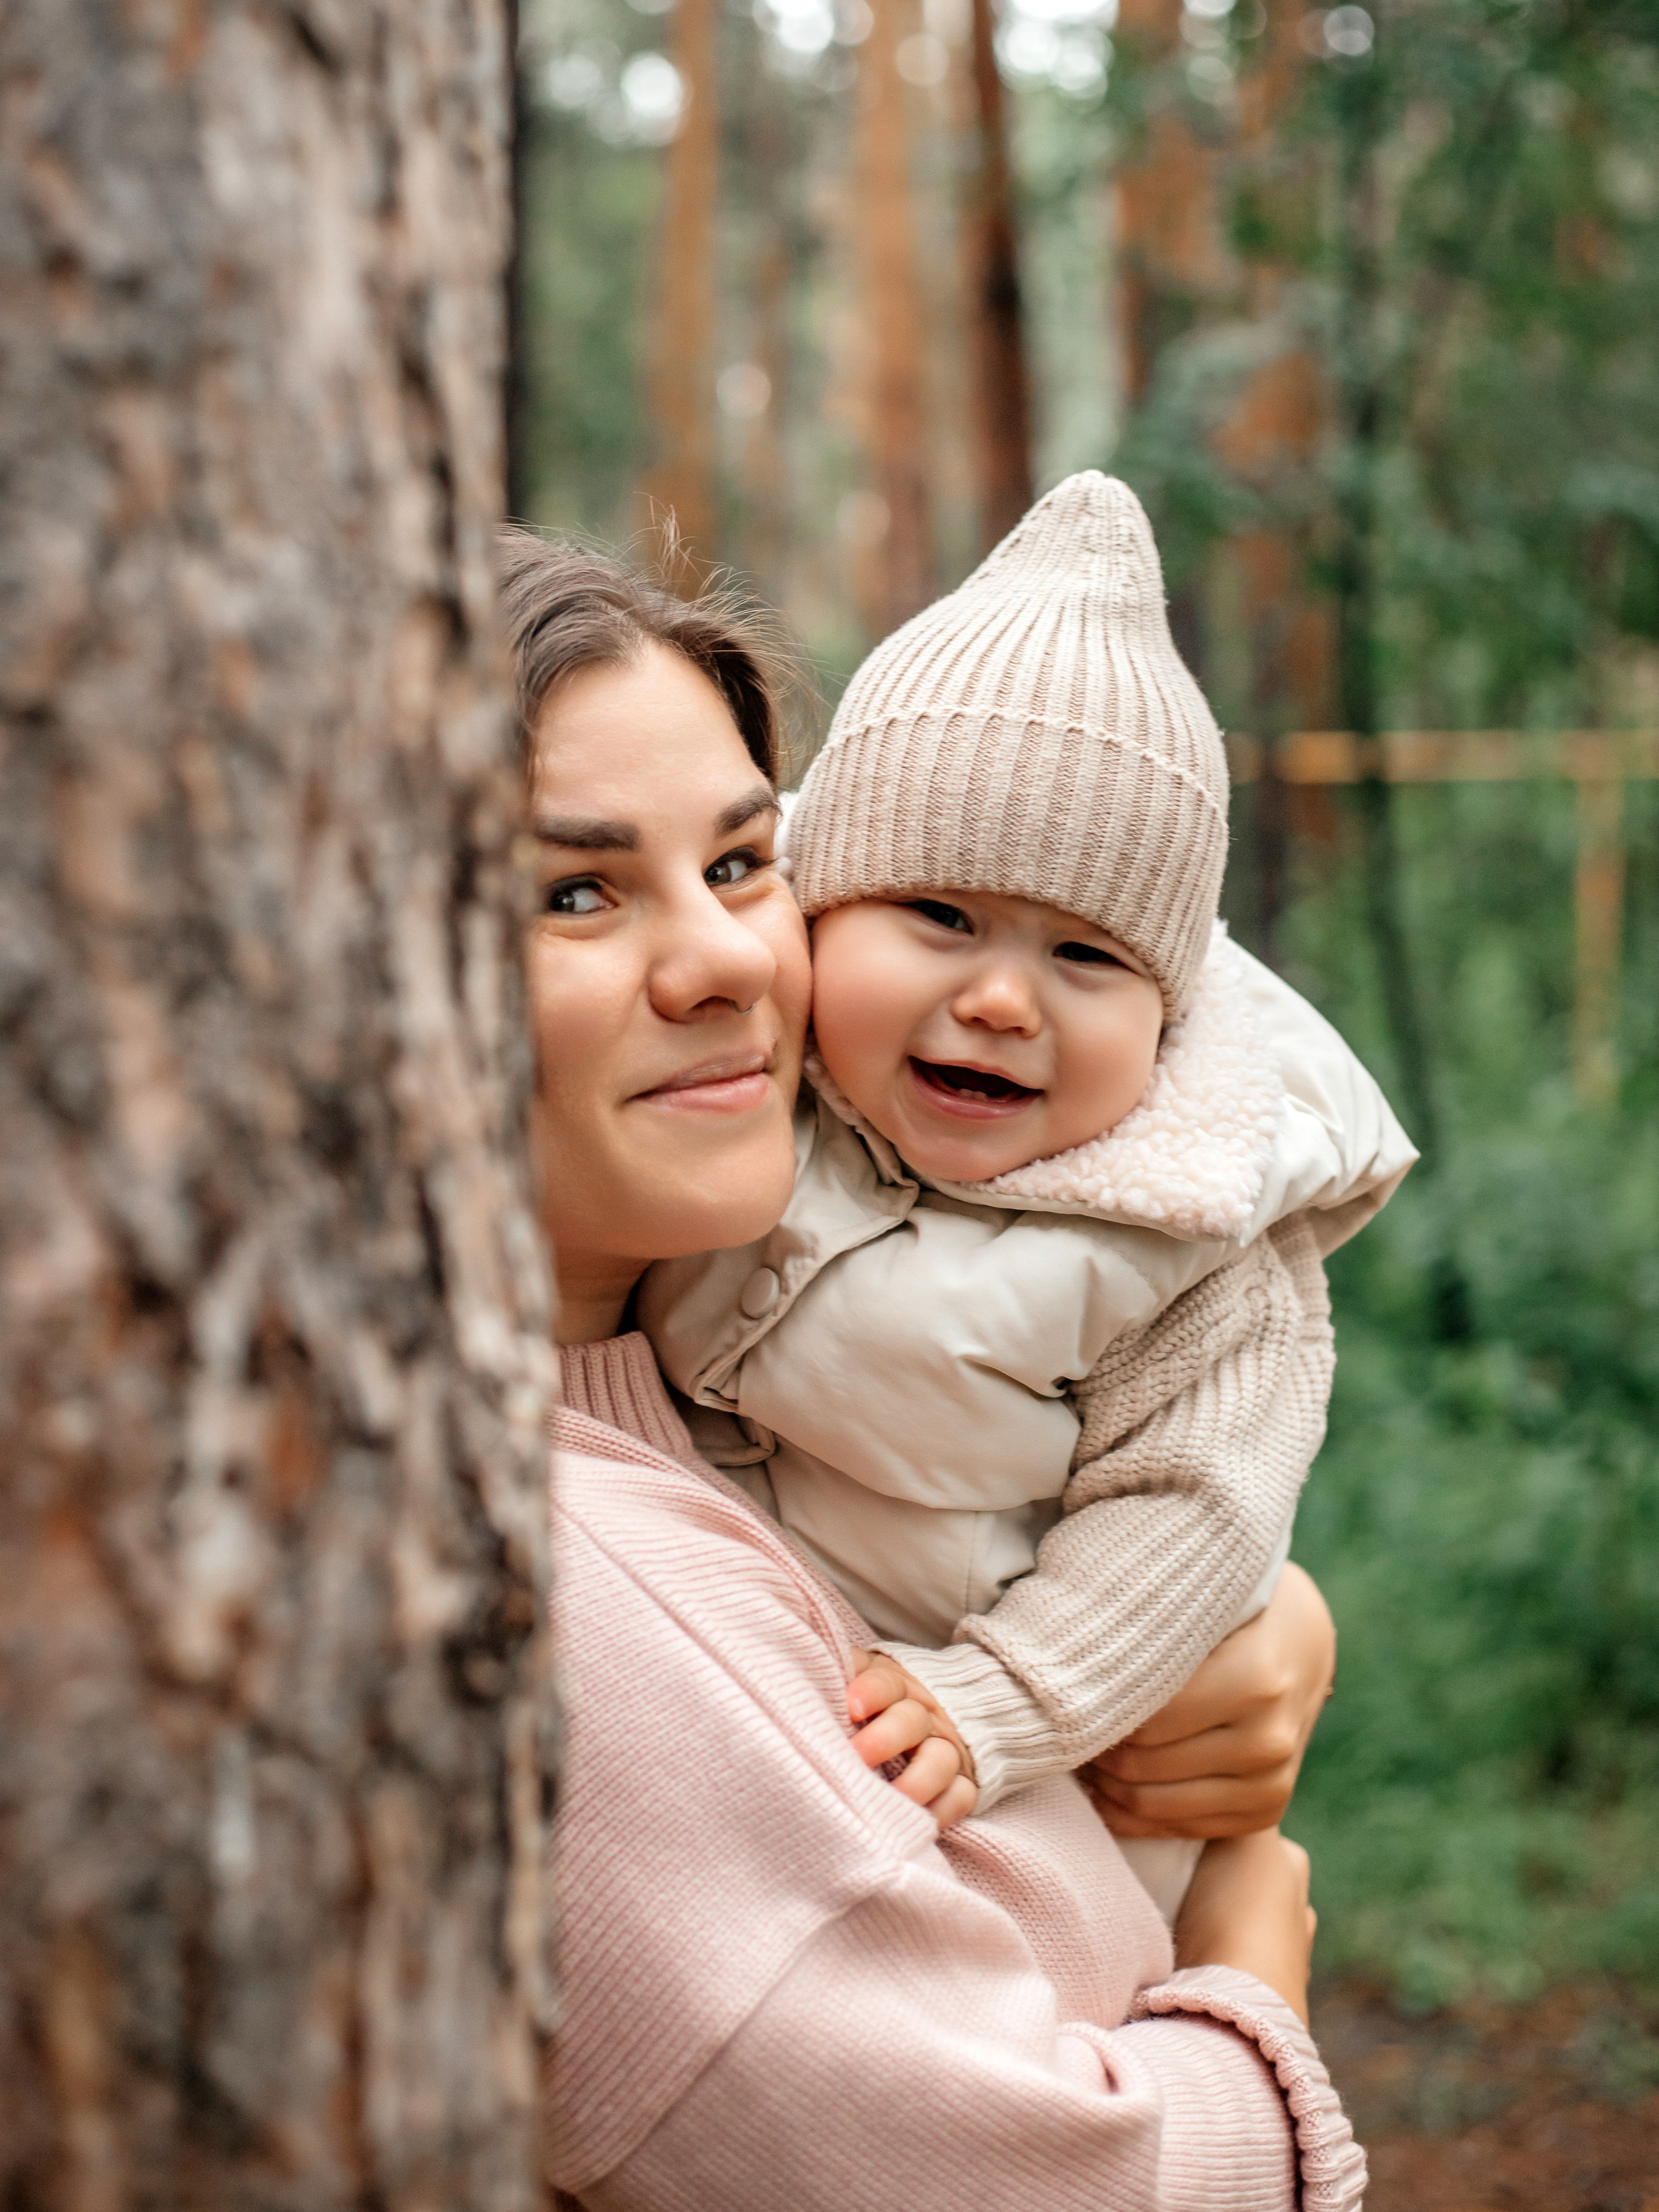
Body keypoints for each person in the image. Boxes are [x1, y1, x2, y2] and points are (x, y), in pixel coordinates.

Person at [507, 527, 1365, 2209]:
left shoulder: (686, 1348)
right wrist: (1254, 1971)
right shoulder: (542, 1577)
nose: (730, 961)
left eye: (746, 862)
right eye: (577, 890)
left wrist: (1251, 1614)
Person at [642, 473, 1415, 1920]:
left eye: (1086, 958)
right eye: (939, 917)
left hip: (1038, 1785)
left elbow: (1190, 1515)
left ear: (1170, 1010)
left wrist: (1001, 1698)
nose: (999, 1000)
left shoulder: (1186, 1245)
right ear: (816, 903)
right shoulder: (736, 1094)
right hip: (745, 1739)